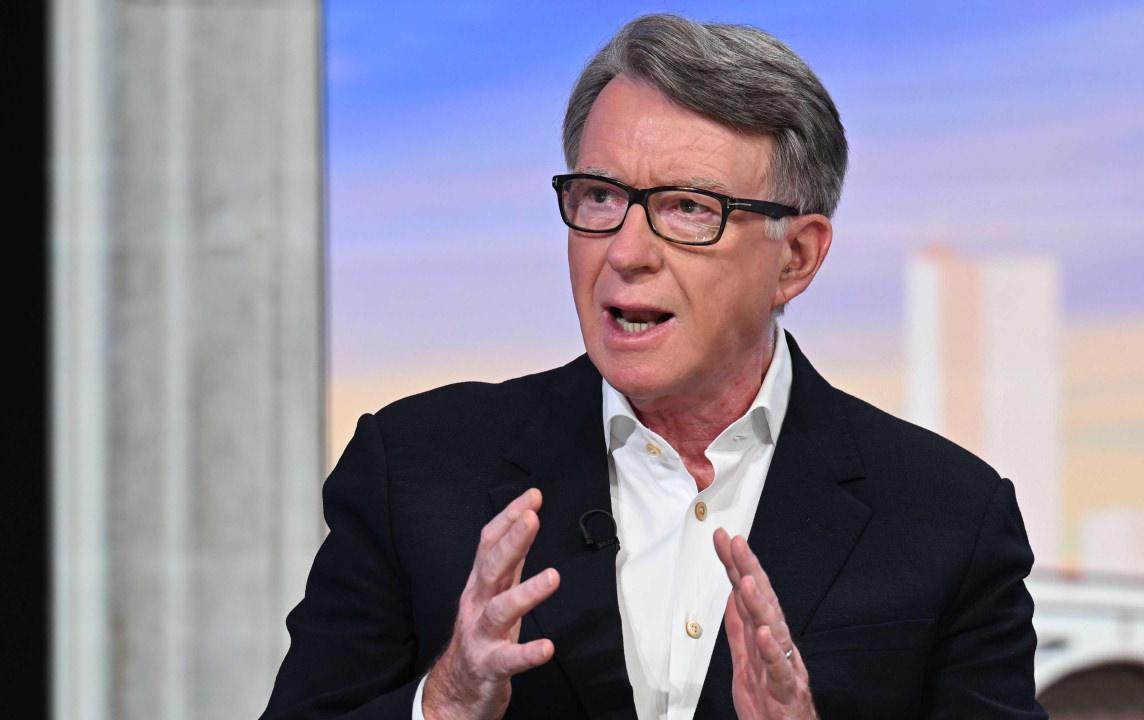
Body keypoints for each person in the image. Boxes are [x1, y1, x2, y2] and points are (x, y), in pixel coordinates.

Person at [262, 13, 1046, 720]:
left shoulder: (949, 519)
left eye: (688, 208)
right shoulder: (415, 470)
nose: (627, 251)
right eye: (600, 197)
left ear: (797, 258)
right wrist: (445, 704)